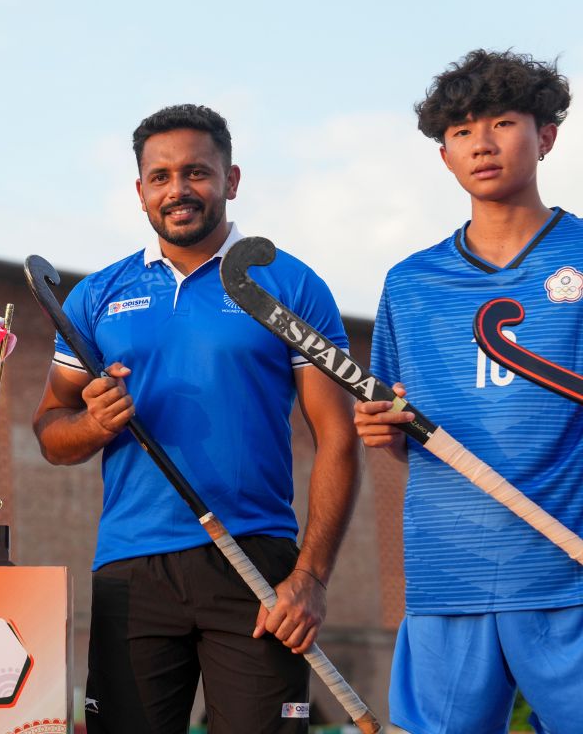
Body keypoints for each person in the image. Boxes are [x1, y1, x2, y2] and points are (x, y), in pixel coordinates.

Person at [32, 104, 361, 732]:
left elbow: (338, 438)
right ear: (140, 191)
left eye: (196, 173)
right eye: (160, 177)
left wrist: (312, 577)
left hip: (258, 564)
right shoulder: (97, 295)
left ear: (231, 179)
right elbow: (52, 432)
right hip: (132, 568)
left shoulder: (289, 285)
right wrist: (95, 424)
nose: (178, 190)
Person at [354, 50, 581, 733]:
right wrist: (385, 431)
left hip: (569, 576)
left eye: (503, 122)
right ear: (444, 154)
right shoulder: (410, 283)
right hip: (448, 577)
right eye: (460, 131)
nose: (481, 143)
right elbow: (408, 441)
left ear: (545, 135)